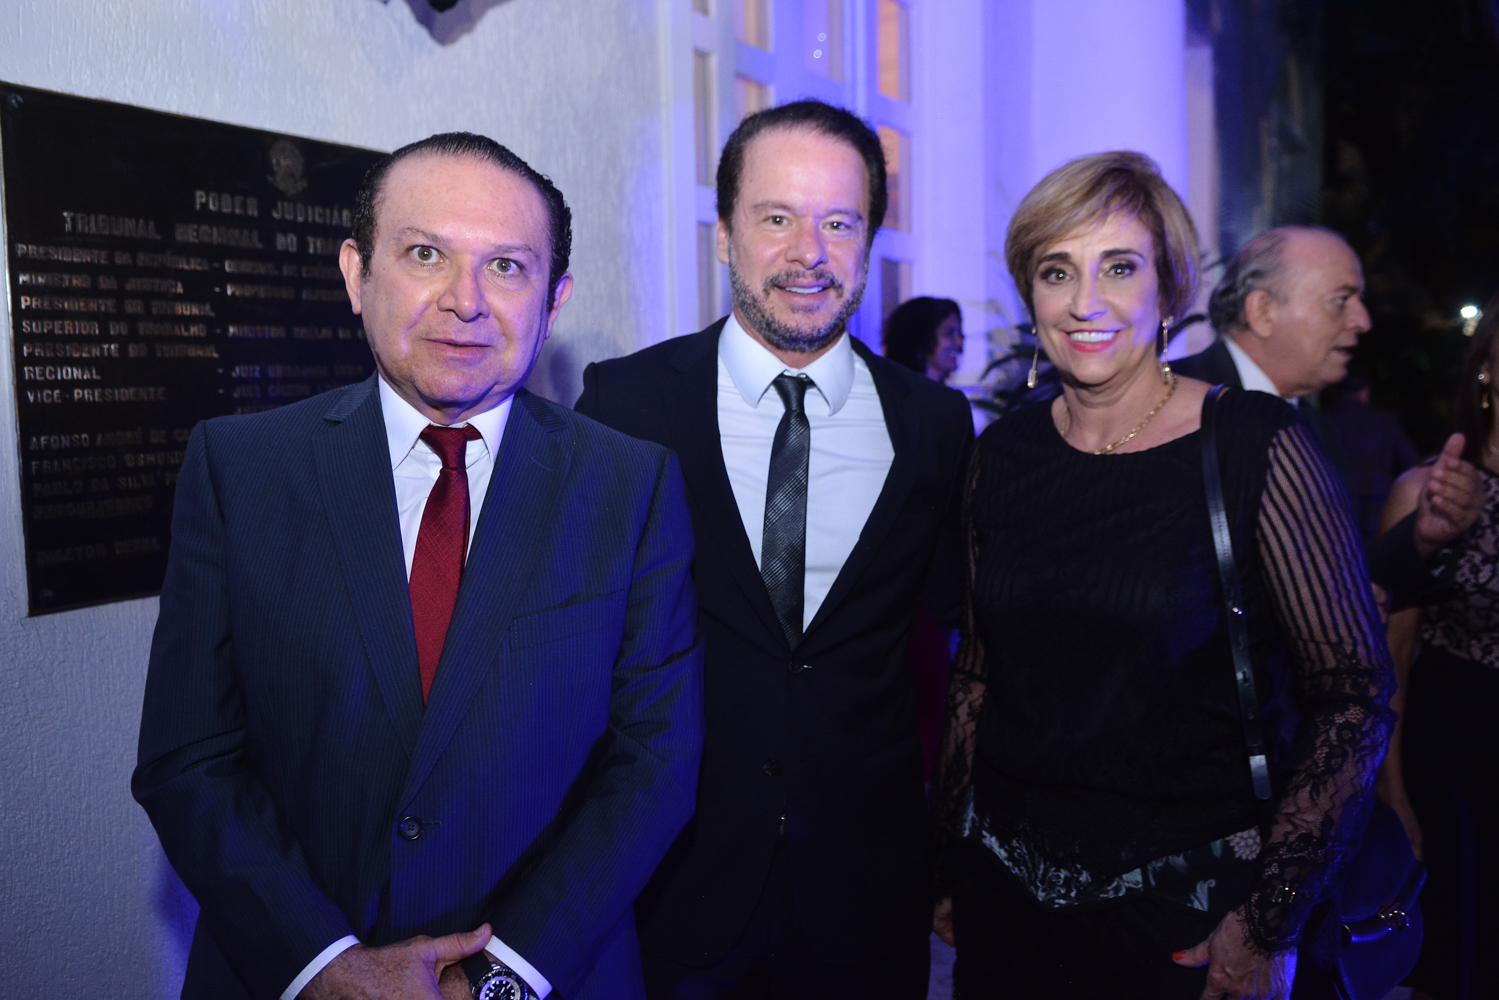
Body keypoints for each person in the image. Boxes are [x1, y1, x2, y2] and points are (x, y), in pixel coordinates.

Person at [132, 133, 704, 1000]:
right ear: (357, 273)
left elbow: (655, 762)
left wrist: (497, 979)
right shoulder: (239, 470)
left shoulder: (633, 485)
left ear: (554, 299)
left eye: (506, 267)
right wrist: (326, 966)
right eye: (426, 254)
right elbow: (189, 760)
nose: (464, 301)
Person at [931, 151, 1396, 999]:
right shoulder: (1000, 455)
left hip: (1186, 915)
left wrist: (1268, 917)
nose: (1085, 301)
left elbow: (1353, 695)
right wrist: (947, 863)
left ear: (1169, 290)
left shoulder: (1252, 444)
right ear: (1030, 294)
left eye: (1119, 267)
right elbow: (977, 674)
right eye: (1056, 271)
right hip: (1003, 902)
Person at [575, 100, 972, 998]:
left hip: (867, 892)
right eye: (776, 218)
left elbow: (972, 641)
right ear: (724, 235)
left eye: (839, 223)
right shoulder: (626, 407)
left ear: (869, 241)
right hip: (673, 884)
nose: (808, 253)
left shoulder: (934, 424)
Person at [1176, 226, 1483, 606]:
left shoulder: (1317, 431)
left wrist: (1423, 538)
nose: (1363, 320)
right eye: (1341, 300)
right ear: (1263, 311)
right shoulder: (1168, 401)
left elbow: (1339, 581)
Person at [1377, 289, 1499, 1000]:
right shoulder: (1426, 492)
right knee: (1466, 955)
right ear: (1485, 368)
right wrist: (1391, 794)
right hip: (1457, 760)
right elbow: (1386, 660)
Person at [1324, 370, 1420, 540]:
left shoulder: (1323, 421)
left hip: (1333, 514)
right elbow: (1411, 464)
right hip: (1376, 515)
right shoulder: (1384, 422)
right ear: (1366, 392)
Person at [883, 295, 965, 383]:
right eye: (949, 333)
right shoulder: (895, 389)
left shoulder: (941, 391)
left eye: (959, 332)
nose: (960, 342)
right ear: (921, 338)